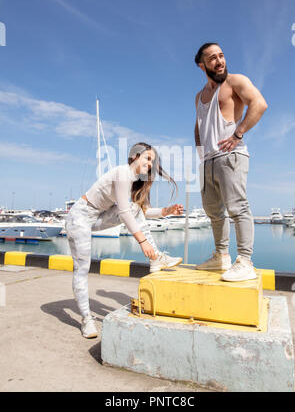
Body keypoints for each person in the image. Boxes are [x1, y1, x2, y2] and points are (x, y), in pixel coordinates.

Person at [65, 142, 183, 338]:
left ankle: (156, 258)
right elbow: (123, 212)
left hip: (97, 217)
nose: (150, 164)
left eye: (152, 161)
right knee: (82, 268)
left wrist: (166, 211)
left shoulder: (131, 180)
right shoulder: (122, 173)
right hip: (80, 217)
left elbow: (137, 212)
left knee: (136, 208)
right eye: (147, 158)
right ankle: (86, 318)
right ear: (134, 157)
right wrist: (142, 241)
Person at [194, 43, 268, 282]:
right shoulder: (199, 96)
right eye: (213, 58)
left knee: (238, 209)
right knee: (214, 212)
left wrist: (238, 134)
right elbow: (199, 125)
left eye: (221, 55)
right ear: (201, 65)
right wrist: (200, 152)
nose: (220, 61)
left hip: (231, 156)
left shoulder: (235, 81)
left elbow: (259, 104)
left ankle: (245, 260)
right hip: (208, 161)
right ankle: (221, 256)